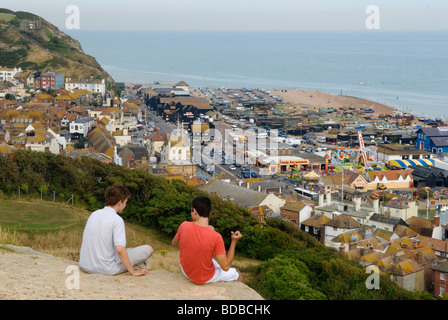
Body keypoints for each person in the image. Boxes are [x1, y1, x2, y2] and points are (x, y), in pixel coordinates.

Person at [79, 184, 153, 276]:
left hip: (85, 265)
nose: (125, 205)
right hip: (106, 268)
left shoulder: (94, 214)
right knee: (148, 249)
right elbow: (120, 249)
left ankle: (138, 264)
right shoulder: (117, 220)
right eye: (125, 202)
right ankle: (136, 266)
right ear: (120, 203)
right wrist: (133, 272)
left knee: (128, 250)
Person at [171, 195, 243, 285]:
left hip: (186, 271)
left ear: (195, 211)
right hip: (204, 278)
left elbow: (173, 243)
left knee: (210, 233)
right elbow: (226, 266)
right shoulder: (216, 237)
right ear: (209, 212)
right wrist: (234, 241)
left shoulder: (184, 225)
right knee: (238, 275)